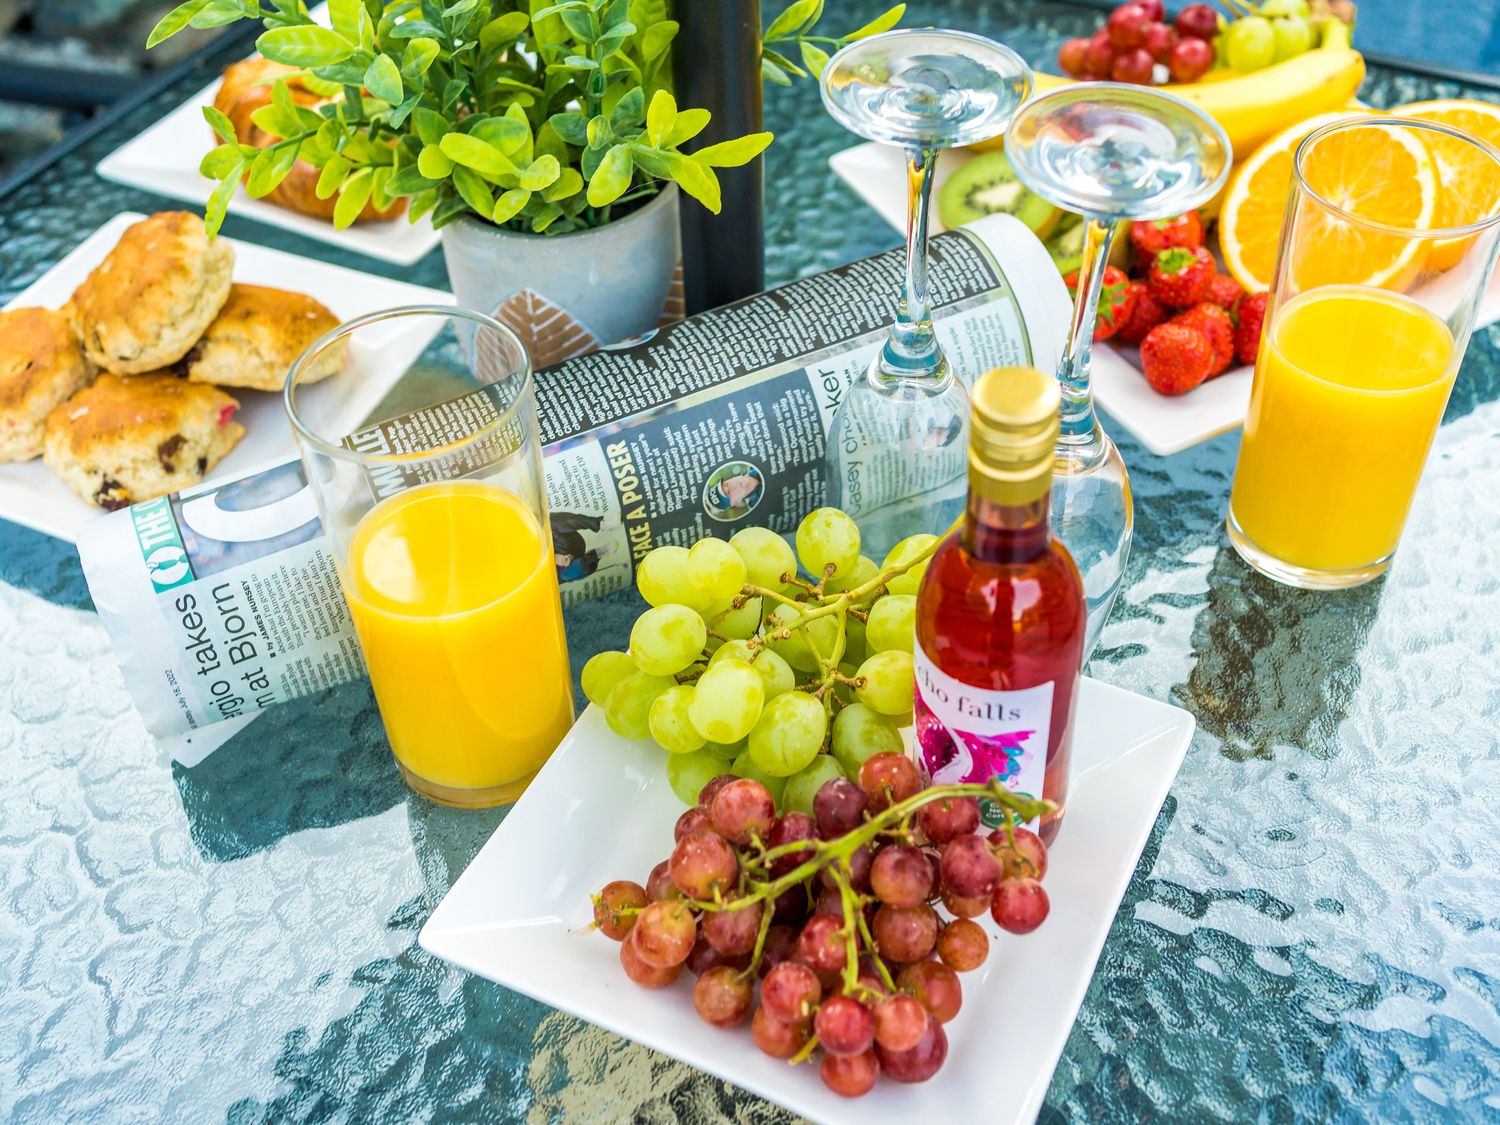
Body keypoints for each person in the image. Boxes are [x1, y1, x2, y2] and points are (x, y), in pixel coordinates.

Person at [552, 511, 618, 583]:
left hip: (564, 543)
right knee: (570, 573)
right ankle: (598, 553)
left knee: (547, 523)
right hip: (568, 565)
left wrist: (554, 558)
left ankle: (602, 525)